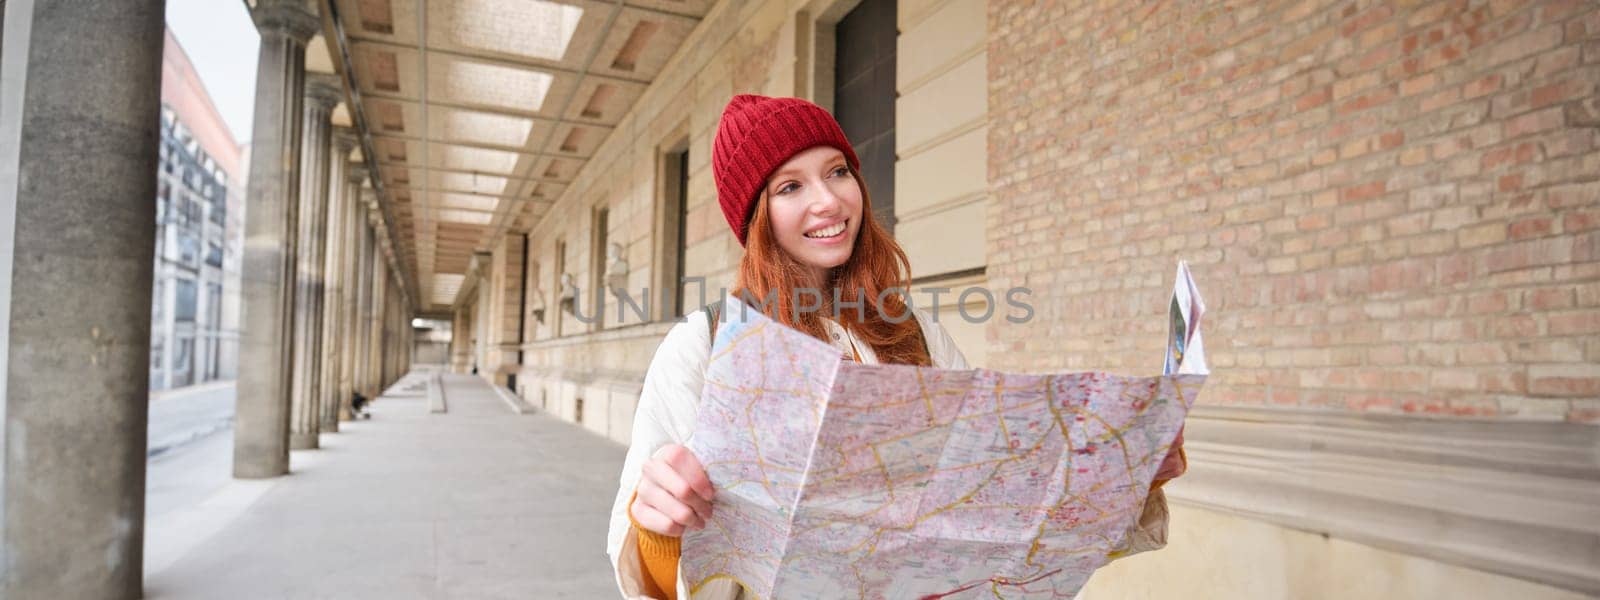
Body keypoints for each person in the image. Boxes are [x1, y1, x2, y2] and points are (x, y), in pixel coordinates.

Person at [605, 94, 1187, 600]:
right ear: (756, 217)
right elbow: (648, 573)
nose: (829, 201)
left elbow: (996, 494)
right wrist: (656, 524)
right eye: (790, 186)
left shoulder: (915, 333)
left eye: (837, 171)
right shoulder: (705, 346)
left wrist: (1129, 466)